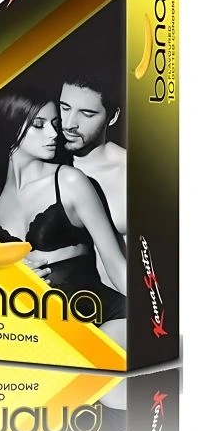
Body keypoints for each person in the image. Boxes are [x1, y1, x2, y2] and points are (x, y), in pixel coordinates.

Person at [0, 87, 126, 346]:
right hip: (35, 328)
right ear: (10, 127)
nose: (54, 133)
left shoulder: (70, 181)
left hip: (106, 318)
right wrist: (12, 270)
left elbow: (115, 264)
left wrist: (154, 318)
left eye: (55, 124)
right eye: (39, 125)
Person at [59, 69, 127, 290]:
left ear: (112, 116)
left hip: (117, 303)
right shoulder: (40, 164)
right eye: (64, 108)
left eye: (87, 114)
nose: (69, 124)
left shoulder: (132, 174)